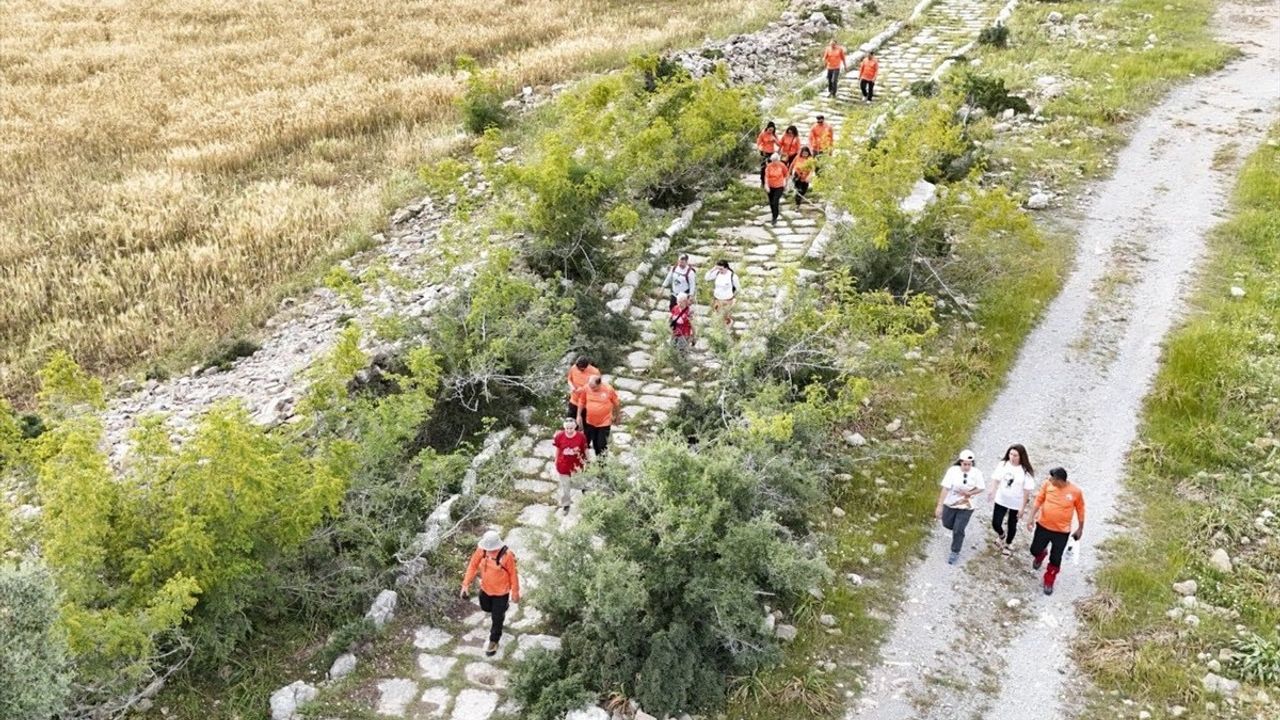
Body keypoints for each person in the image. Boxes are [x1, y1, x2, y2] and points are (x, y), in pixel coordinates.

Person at [1025, 467, 1085, 595]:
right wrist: (1030, 517)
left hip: (1061, 532)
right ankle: (1041, 554)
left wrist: (1080, 528)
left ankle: (1049, 580)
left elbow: (1081, 510)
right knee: (1034, 550)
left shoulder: (1075, 492)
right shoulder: (1047, 484)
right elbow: (1039, 500)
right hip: (1043, 526)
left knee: (1056, 558)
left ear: (1060, 480)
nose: (1050, 479)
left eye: (1053, 478)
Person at [460, 529, 520, 656]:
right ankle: (502, 608)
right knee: (486, 607)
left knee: (497, 618)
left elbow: (513, 575)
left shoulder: (506, 556)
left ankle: (494, 641)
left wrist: (515, 592)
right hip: (486, 588)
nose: (489, 551)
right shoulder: (481, 551)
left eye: (491, 549)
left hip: (501, 592)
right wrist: (465, 584)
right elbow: (472, 565)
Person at [935, 449, 986, 564]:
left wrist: (971, 493)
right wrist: (940, 505)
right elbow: (946, 488)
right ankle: (957, 531)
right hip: (951, 503)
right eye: (964, 464)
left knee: (958, 528)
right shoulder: (952, 471)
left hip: (967, 506)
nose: (967, 467)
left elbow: (981, 487)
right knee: (947, 523)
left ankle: (955, 551)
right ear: (960, 462)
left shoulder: (976, 473)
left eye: (969, 464)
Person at [988, 444, 1036, 556]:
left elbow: (1026, 491)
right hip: (1001, 499)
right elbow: (996, 478)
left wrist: (1022, 507)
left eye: (1015, 455)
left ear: (1021, 456)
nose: (1012, 457)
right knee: (996, 522)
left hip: (1016, 502)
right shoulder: (1003, 464)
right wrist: (993, 490)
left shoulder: (1025, 471)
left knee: (1012, 524)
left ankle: (1008, 543)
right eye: (1011, 454)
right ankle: (1001, 535)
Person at [573, 375, 620, 457]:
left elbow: (616, 404)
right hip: (590, 421)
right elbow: (582, 401)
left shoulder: (608, 389)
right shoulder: (587, 387)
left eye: (593, 387)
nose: (591, 389)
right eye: (590, 386)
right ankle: (584, 463)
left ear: (599, 384)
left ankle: (601, 465)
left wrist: (617, 416)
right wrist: (578, 415)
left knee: (601, 445)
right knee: (588, 443)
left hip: (604, 422)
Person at [552, 418, 588, 514]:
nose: (569, 430)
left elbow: (585, 449)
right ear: (564, 427)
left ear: (575, 427)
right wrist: (556, 460)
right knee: (565, 486)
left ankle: (583, 490)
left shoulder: (581, 437)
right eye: (567, 428)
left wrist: (588, 460)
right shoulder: (559, 436)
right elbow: (558, 449)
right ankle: (566, 504)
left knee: (578, 480)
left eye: (571, 428)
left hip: (577, 465)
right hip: (563, 465)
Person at [705, 260, 739, 328]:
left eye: (721, 269)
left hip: (727, 300)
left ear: (726, 268)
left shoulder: (732, 276)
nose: (720, 270)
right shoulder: (717, 273)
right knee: (717, 315)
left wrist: (734, 298)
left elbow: (738, 288)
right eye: (718, 269)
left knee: (726, 317)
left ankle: (727, 329)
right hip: (717, 299)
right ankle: (719, 328)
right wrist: (713, 269)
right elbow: (707, 278)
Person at [763, 152, 789, 225]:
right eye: (773, 160)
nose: (774, 161)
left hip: (779, 186)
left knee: (775, 201)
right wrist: (766, 185)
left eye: (775, 160)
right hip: (771, 186)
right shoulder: (769, 166)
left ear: (778, 160)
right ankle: (773, 214)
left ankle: (775, 217)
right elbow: (766, 177)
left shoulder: (782, 165)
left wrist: (786, 183)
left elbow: (786, 174)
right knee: (771, 202)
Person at [756, 121, 779, 186]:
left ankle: (770, 181)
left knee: (771, 167)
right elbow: (758, 143)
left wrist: (774, 139)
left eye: (772, 130)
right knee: (763, 167)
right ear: (767, 128)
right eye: (770, 130)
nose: (770, 131)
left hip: (771, 152)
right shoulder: (763, 134)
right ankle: (762, 181)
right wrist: (761, 149)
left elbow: (779, 144)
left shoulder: (774, 134)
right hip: (764, 152)